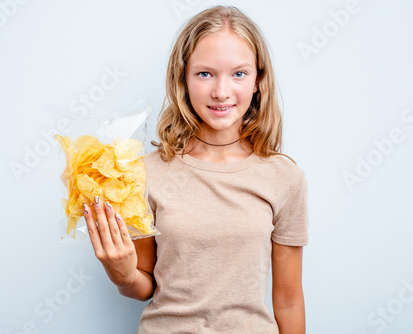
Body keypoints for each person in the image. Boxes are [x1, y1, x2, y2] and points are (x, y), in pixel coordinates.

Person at [82, 5, 309, 334]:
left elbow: (288, 301)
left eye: (239, 74)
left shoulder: (285, 178)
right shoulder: (144, 173)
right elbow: (143, 285)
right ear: (183, 79)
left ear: (259, 80)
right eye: (205, 73)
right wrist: (122, 272)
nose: (221, 91)